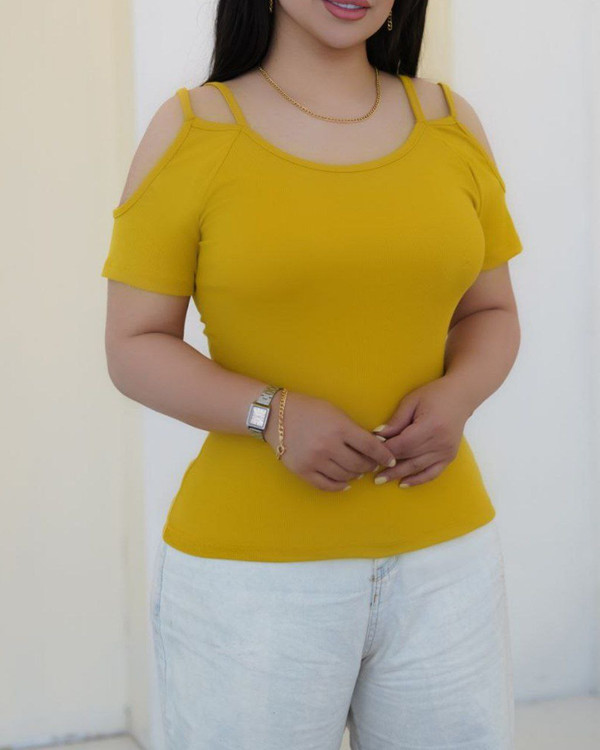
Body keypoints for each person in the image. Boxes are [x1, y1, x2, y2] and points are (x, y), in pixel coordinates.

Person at [101, 1, 523, 747]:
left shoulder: (450, 122)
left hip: (446, 562)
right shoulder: (195, 130)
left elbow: (491, 312)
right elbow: (133, 345)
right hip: (253, 581)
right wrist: (270, 412)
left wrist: (458, 395)